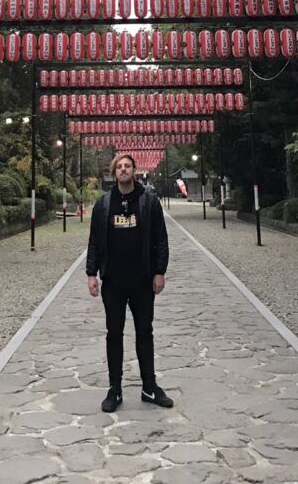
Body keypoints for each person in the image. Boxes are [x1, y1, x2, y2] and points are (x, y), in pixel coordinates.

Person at [86, 152, 173, 413]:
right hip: (113, 280)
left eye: (128, 166)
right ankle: (115, 388)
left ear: (134, 171)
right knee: (114, 334)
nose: (123, 170)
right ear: (114, 173)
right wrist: (91, 273)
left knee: (144, 333)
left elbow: (160, 237)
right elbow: (94, 242)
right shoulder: (103, 204)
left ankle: (149, 386)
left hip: (143, 279)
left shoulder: (148, 201)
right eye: (119, 167)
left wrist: (160, 271)